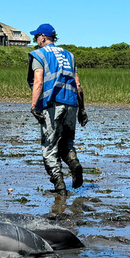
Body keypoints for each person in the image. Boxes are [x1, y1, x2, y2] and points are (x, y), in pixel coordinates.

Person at [27, 24, 87, 194]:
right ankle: (75, 164)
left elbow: (38, 82)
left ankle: (60, 187)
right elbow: (78, 85)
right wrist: (82, 110)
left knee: (49, 147)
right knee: (66, 143)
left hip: (53, 104)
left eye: (36, 37)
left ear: (43, 37)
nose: (35, 41)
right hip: (72, 104)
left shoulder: (40, 55)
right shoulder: (69, 55)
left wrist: (33, 106)